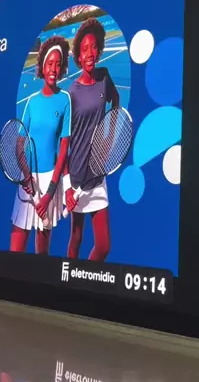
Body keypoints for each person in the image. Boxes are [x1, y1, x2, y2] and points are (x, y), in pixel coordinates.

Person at [10, 35, 70, 255]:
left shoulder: (65, 100)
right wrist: (26, 176)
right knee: (16, 249)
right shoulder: (32, 102)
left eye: (57, 64)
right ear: (43, 67)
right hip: (28, 180)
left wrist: (50, 193)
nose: (53, 68)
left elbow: (63, 150)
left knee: (42, 253)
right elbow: (19, 145)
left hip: (50, 183)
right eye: (49, 63)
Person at [65, 18, 119, 261]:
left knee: (103, 245)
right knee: (76, 238)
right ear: (78, 56)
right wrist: (67, 186)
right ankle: (68, 278)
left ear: (99, 50)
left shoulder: (104, 78)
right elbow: (64, 143)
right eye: (85, 49)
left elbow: (115, 101)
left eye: (94, 47)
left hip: (97, 175)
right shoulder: (71, 94)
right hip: (77, 177)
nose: (90, 53)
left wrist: (109, 135)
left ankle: (85, 276)